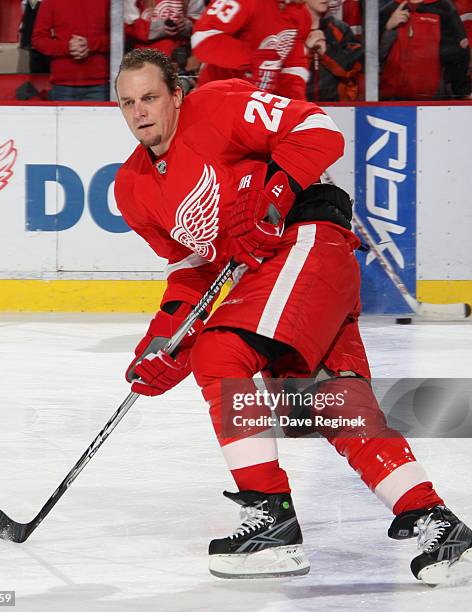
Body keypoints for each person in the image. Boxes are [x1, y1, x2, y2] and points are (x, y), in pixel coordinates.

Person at [113, 48, 472, 584]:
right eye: (127, 102)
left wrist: (275, 193)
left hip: (305, 241)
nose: (140, 110)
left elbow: (319, 127)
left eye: (150, 97)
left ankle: (271, 518)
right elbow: (194, 271)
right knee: (326, 402)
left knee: (219, 350)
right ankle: (437, 524)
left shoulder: (217, 106)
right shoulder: (133, 188)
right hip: (280, 275)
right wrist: (163, 342)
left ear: (176, 95)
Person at [191, 0, 311, 99]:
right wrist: (250, 60)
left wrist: (294, 103)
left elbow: (294, 66)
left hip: (260, 107)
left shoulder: (301, 14)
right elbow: (203, 37)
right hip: (219, 99)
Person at [379, 0, 471, 100]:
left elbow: (458, 54)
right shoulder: (388, 8)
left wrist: (462, 91)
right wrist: (388, 27)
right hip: (389, 98)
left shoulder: (445, 9)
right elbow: (372, 55)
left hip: (433, 99)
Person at [32, 0, 110, 101]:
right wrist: (67, 47)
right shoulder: (51, 2)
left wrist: (91, 44)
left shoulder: (108, 2)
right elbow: (38, 39)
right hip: (63, 84)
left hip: (99, 84)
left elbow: (119, 37)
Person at [304, 0, 363, 101]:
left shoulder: (341, 29)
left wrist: (327, 53)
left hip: (338, 109)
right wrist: (305, 50)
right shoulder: (288, 29)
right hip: (296, 106)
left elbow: (354, 67)